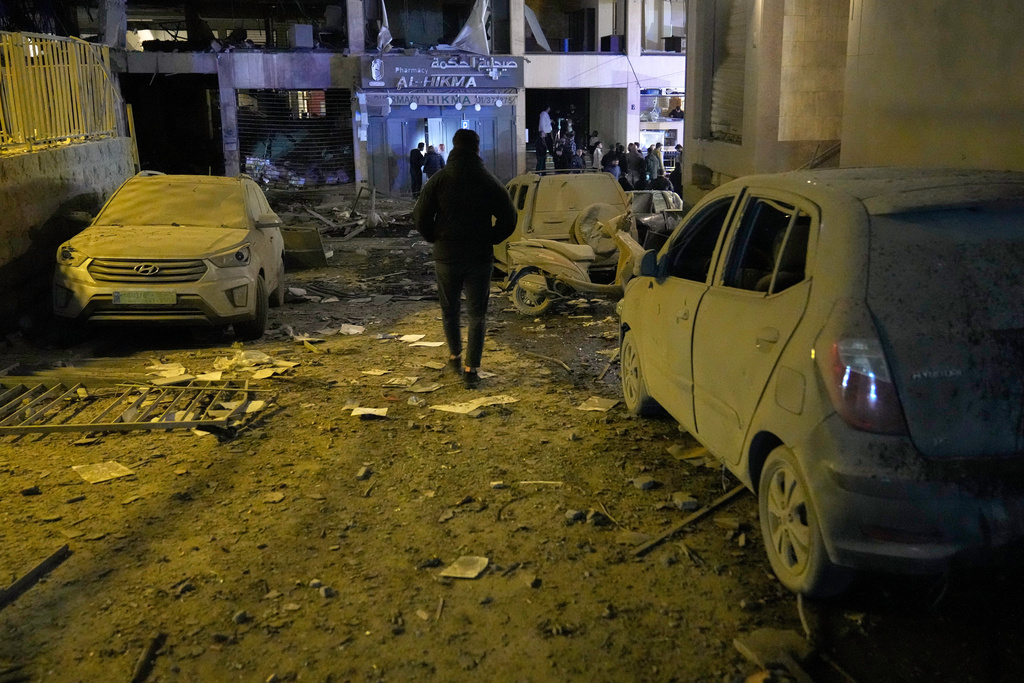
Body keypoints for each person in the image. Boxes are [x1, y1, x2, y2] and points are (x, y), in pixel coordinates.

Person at [413, 129, 516, 389]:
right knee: (477, 314)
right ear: (477, 148)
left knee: (450, 310)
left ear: (453, 147)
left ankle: (454, 356)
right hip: (479, 257)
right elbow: (509, 217)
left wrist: (434, 238)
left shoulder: (439, 180)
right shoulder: (489, 180)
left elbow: (420, 217)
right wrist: (492, 237)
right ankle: (471, 369)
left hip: (446, 257)